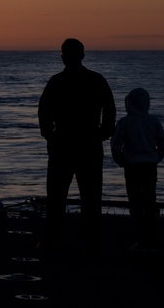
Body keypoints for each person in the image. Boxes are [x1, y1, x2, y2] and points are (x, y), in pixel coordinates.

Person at [37, 38, 116, 251]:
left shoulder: (56, 81)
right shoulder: (96, 80)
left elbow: (43, 111)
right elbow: (110, 108)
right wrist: (103, 133)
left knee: (56, 195)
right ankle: (90, 239)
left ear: (63, 57)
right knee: (91, 196)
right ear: (83, 55)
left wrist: (49, 135)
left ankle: (51, 239)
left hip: (63, 143)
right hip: (88, 143)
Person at [111, 87, 164, 252]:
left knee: (135, 203)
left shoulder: (125, 122)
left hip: (132, 167)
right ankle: (151, 239)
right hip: (150, 166)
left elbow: (116, 146)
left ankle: (140, 239)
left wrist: (121, 160)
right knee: (150, 202)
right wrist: (156, 157)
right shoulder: (154, 121)